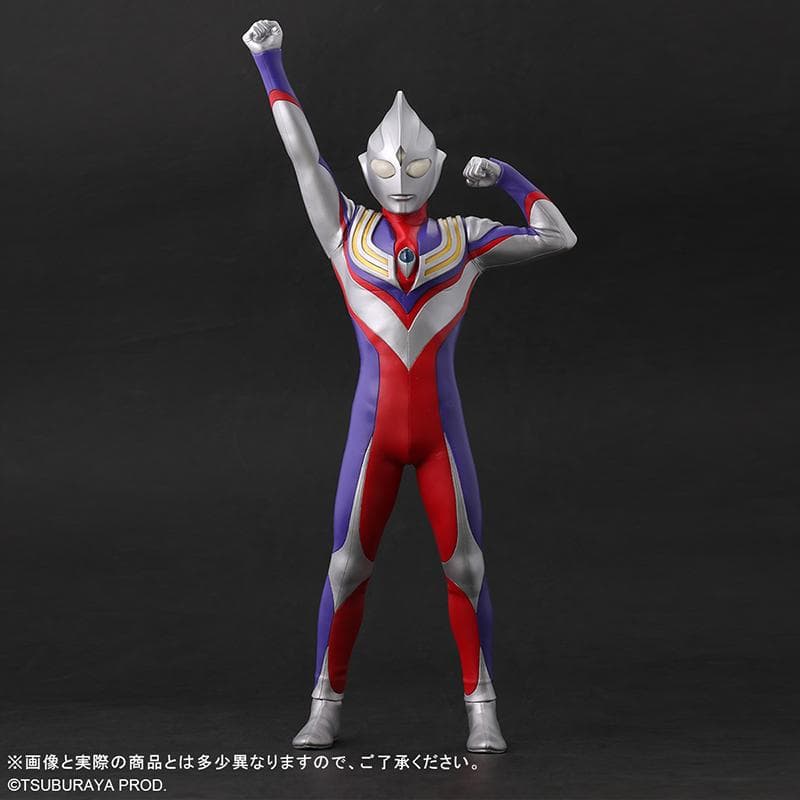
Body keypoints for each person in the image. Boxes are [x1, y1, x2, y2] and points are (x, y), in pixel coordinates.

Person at [242, 18, 577, 753]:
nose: (401, 174)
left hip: (435, 436)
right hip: (376, 434)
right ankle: (325, 704)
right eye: (388, 165)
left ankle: (482, 707)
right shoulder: (346, 231)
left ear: (437, 166)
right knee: (346, 565)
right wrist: (269, 63)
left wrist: (508, 178)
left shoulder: (463, 239)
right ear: (367, 167)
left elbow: (559, 236)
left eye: (415, 163)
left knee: (467, 565)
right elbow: (303, 158)